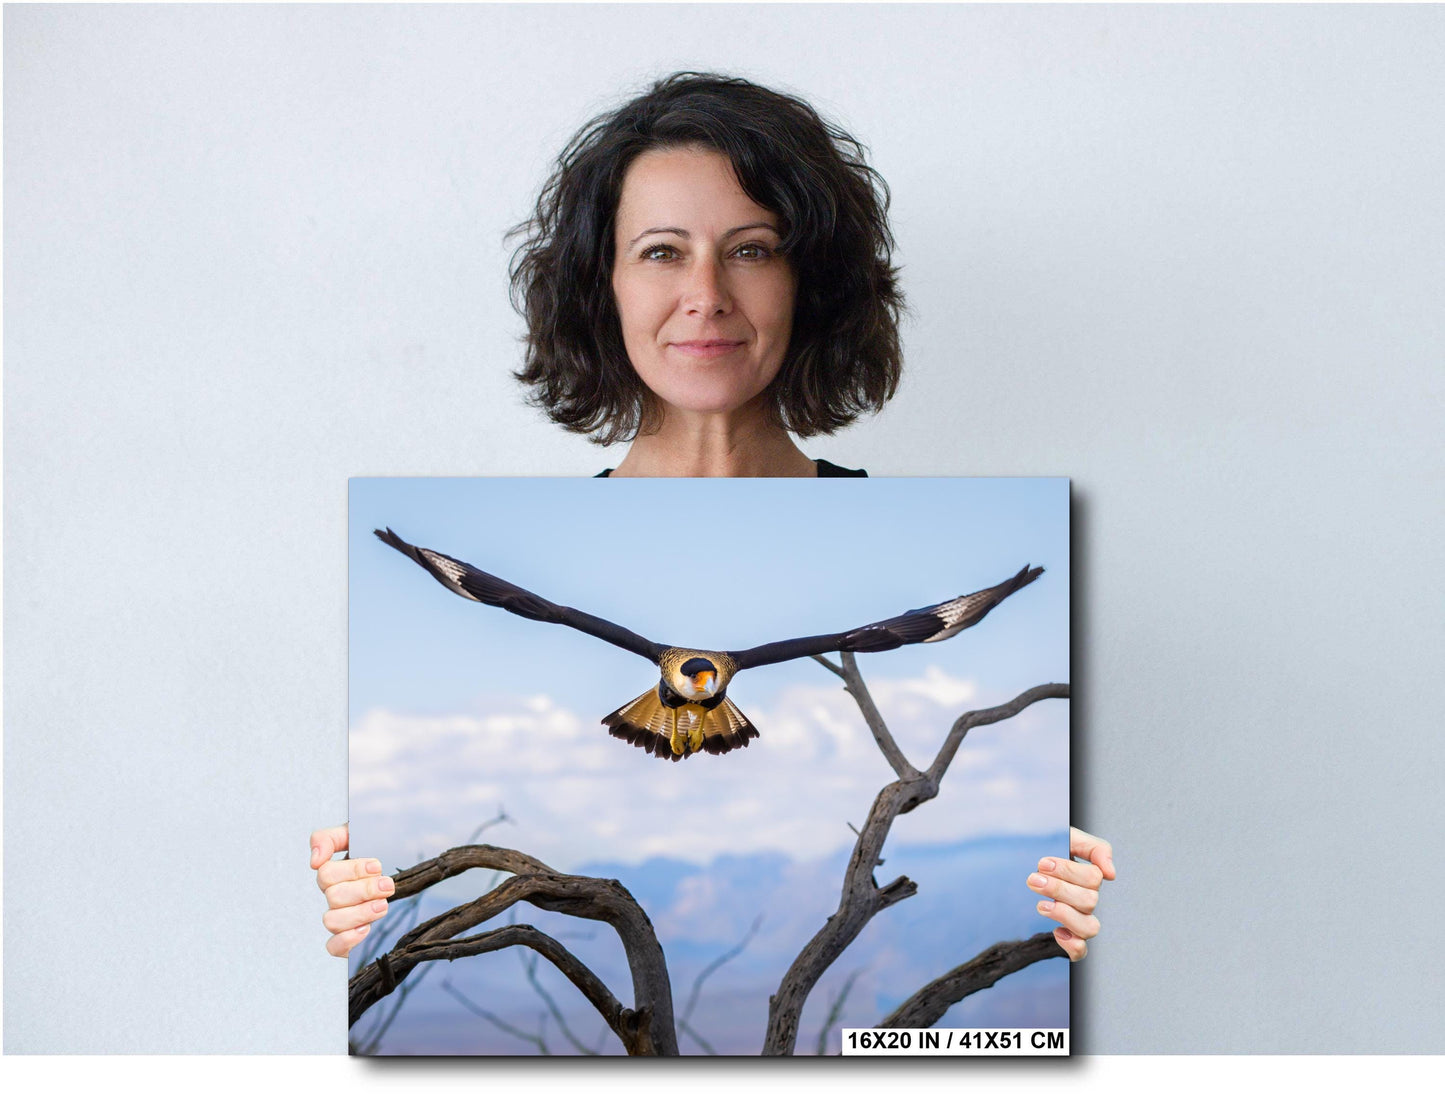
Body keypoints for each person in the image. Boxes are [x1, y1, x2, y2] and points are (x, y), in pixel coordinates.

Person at [312, 72, 1115, 966]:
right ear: (601, 284)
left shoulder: (926, 527)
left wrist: (1069, 906)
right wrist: (358, 901)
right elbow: (488, 594)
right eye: (660, 251)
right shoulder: (534, 545)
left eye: (752, 249)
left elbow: (930, 627)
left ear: (809, 283)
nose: (706, 294)